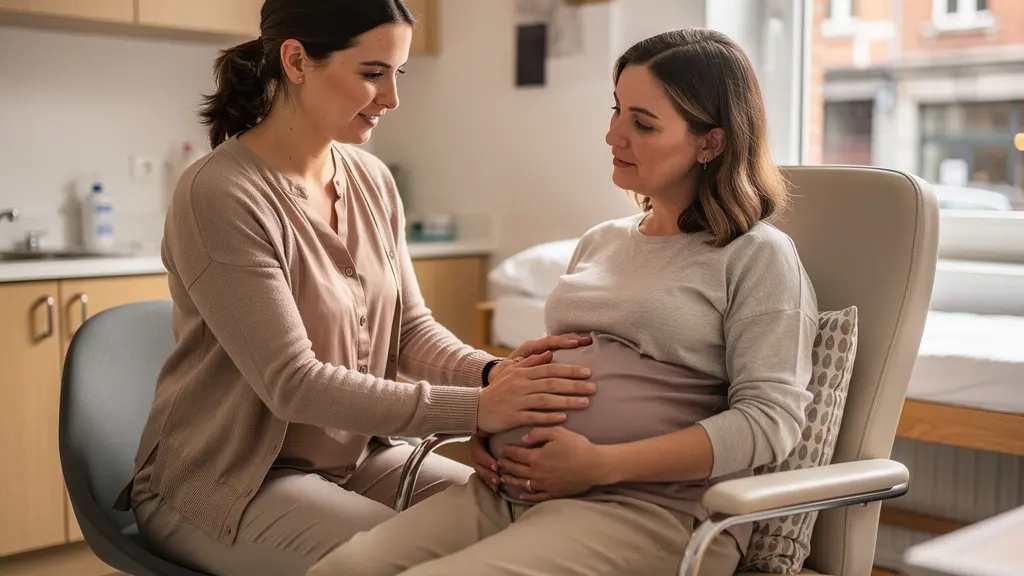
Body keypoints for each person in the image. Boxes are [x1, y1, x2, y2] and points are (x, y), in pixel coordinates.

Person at [307, 28, 819, 576]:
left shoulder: (756, 255)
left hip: (652, 509)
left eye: (642, 123)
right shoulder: (602, 240)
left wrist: (599, 464)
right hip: (513, 491)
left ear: (710, 143)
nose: (612, 135)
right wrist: (490, 423)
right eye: (617, 110)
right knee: (344, 569)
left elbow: (771, 422)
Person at [112, 1, 598, 575]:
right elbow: (293, 384)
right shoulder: (220, 193)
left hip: (362, 457)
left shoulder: (372, 179)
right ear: (296, 60)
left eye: (397, 73)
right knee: (415, 562)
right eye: (372, 73)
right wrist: (478, 410)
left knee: (530, 520)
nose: (392, 99)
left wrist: (496, 375)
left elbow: (410, 332)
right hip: (231, 482)